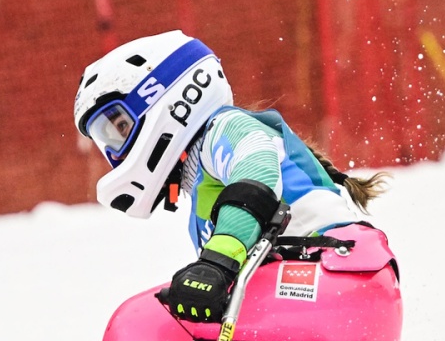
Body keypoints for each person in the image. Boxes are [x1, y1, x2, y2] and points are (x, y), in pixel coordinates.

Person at [74, 30, 387, 323]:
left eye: (119, 129)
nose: (117, 153)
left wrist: (217, 262)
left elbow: (258, 166)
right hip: (342, 285)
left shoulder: (225, 128)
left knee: (141, 324)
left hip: (335, 271)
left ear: (166, 97)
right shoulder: (202, 188)